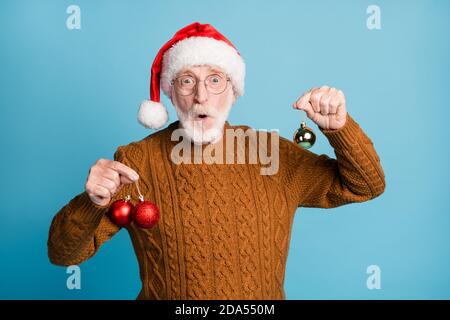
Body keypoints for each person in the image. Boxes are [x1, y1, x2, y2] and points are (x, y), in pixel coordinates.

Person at [47, 22, 386, 300]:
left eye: (214, 79)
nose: (201, 95)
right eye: (186, 80)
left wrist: (340, 129)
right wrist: (92, 201)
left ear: (233, 90)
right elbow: (63, 254)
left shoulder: (272, 153)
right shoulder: (137, 162)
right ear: (169, 91)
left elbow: (366, 186)